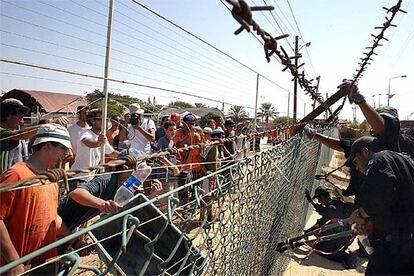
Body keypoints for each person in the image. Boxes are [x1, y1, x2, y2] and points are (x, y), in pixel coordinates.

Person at [0, 124, 71, 274]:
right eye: (63, 148)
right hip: (20, 266)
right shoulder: (16, 175)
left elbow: (52, 217)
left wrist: (73, 239)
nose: (67, 154)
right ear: (47, 146)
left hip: (46, 262)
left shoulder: (50, 178)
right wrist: (14, 261)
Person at [348, 136, 414, 275]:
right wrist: (372, 224)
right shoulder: (402, 161)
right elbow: (396, 203)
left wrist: (360, 214)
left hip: (400, 246)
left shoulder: (379, 158)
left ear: (365, 152)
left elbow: (378, 200)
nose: (357, 167)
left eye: (355, 161)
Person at [58, 171, 163, 231]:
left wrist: (151, 197)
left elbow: (132, 212)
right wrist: (102, 204)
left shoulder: (126, 191)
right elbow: (76, 193)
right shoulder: (106, 180)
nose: (138, 181)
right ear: (125, 170)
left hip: (68, 227)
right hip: (58, 218)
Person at [0, 98, 68, 174]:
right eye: (20, 118)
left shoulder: (14, 135)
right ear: (8, 116)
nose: (22, 122)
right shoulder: (6, 134)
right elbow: (18, 135)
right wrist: (48, 125)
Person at [304, 187, 357, 268]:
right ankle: (340, 250)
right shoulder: (334, 203)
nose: (319, 202)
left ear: (322, 197)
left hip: (343, 238)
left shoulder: (331, 207)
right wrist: (307, 232)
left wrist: (307, 233)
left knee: (322, 250)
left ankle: (348, 258)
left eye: (319, 199)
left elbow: (321, 213)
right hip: (345, 236)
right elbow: (321, 217)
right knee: (318, 245)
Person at [71, 109, 118, 182]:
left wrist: (128, 157)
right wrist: (98, 142)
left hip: (90, 178)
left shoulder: (102, 136)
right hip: (78, 178)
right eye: (101, 120)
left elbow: (112, 153)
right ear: (93, 121)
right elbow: (88, 142)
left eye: (106, 120)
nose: (104, 122)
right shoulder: (86, 132)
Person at [173, 113, 202, 205]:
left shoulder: (196, 135)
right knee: (177, 188)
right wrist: (189, 135)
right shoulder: (177, 132)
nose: (192, 125)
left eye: (193, 123)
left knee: (187, 187)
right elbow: (177, 145)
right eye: (190, 123)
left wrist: (200, 135)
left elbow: (200, 149)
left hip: (189, 165)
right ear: (184, 123)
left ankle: (186, 206)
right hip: (177, 165)